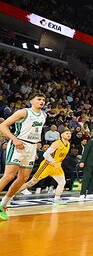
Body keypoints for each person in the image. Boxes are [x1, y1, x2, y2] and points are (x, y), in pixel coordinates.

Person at [0, 92, 47, 220]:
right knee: (9, 176)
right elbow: (3, 126)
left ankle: (3, 204)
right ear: (31, 101)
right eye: (39, 99)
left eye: (43, 100)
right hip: (19, 144)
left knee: (23, 178)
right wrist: (14, 139)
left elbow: (36, 133)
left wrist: (34, 149)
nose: (42, 101)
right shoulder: (23, 112)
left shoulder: (44, 115)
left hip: (31, 147)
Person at [18, 126, 72, 205]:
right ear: (61, 135)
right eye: (67, 133)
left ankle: (57, 199)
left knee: (62, 182)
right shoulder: (57, 143)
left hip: (57, 166)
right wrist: (54, 162)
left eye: (70, 133)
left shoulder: (68, 144)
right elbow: (45, 154)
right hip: (47, 165)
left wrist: (57, 163)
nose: (69, 135)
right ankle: (12, 194)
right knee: (32, 182)